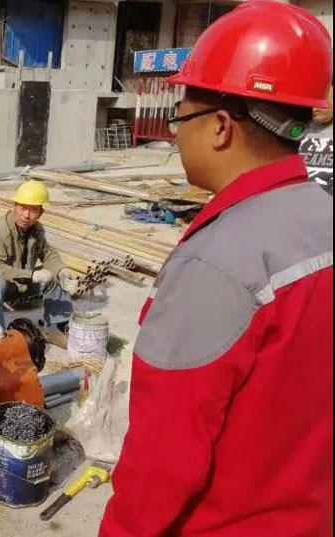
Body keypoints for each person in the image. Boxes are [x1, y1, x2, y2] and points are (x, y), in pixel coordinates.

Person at [100, 3, 333, 536]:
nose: (176, 135)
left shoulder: (216, 263)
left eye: (180, 118)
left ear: (221, 128)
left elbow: (160, 464)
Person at [0, 180, 74, 330]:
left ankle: (59, 327)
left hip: (14, 284)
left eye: (33, 210)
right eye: (23, 208)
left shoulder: (36, 229)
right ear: (14, 206)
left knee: (52, 277)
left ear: (40, 213)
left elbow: (47, 253)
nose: (26, 215)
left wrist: (61, 269)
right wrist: (31, 275)